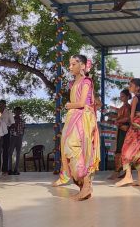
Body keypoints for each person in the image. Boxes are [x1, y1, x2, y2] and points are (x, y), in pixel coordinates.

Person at [52, 55, 100, 201]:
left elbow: (81, 103)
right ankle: (82, 187)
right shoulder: (73, 83)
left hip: (82, 118)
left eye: (73, 64)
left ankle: (86, 185)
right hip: (74, 117)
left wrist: (69, 105)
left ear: (83, 66)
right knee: (68, 147)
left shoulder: (86, 81)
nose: (70, 67)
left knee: (76, 147)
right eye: (70, 64)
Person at [116, 79, 140, 187]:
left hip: (136, 126)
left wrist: (127, 124)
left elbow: (131, 118)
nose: (129, 87)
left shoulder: (135, 98)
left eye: (131, 85)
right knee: (138, 152)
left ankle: (128, 177)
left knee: (125, 150)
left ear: (137, 87)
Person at [107, 89, 131, 180]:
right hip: (121, 130)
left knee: (122, 150)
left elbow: (129, 118)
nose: (121, 98)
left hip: (126, 130)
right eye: (120, 96)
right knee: (119, 150)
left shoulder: (128, 107)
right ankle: (122, 171)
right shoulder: (121, 108)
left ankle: (118, 172)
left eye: (123, 96)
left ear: (128, 97)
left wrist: (118, 121)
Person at [8, 107, 26, 175]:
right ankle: (9, 169)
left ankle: (16, 169)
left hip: (19, 137)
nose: (18, 112)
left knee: (18, 153)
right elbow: (8, 128)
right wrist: (13, 125)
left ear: (21, 112)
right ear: (14, 112)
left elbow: (24, 128)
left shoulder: (22, 120)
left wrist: (21, 135)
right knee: (10, 153)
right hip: (12, 137)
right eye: (17, 111)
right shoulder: (11, 119)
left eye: (19, 111)